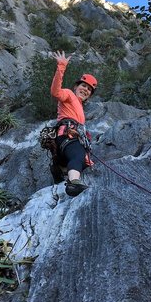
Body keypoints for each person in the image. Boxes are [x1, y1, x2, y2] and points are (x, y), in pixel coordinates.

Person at [50, 50, 98, 197]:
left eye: (89, 89)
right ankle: (73, 183)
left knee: (83, 160)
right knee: (77, 154)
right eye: (83, 86)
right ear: (76, 86)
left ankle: (62, 169)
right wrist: (61, 66)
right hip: (67, 135)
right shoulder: (69, 95)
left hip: (72, 137)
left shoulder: (79, 108)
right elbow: (55, 92)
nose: (86, 90)